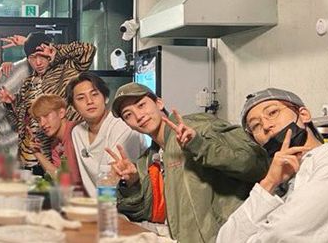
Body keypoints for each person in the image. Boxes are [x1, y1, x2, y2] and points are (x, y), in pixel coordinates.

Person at [109, 82, 268, 243]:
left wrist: (200, 146)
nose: (138, 115)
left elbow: (257, 165)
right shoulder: (149, 159)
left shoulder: (199, 125)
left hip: (231, 236)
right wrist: (132, 182)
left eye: (141, 105)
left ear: (159, 103)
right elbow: (145, 212)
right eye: (128, 114)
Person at [216, 88, 328, 242]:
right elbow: (226, 239)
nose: (266, 126)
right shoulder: (279, 183)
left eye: (272, 112)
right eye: (256, 126)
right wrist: (269, 183)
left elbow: (284, 234)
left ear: (304, 114)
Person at [0, 32, 96, 175]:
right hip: (32, 156)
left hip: (63, 150)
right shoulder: (28, 82)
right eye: (32, 58)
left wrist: (55, 50)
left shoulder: (67, 68)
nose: (38, 62)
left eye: (42, 56)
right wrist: (10, 103)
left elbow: (88, 49)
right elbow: (20, 124)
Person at [66, 73, 146, 197]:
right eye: (81, 98)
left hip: (130, 206)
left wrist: (102, 212)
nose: (89, 101)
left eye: (95, 94)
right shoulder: (77, 132)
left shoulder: (122, 126)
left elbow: (113, 177)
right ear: (73, 107)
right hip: (97, 207)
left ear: (106, 98)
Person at [28, 94, 83, 191]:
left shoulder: (76, 132)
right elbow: (59, 178)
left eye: (46, 116)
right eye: (38, 120)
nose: (42, 124)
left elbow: (71, 181)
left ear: (61, 113)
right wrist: (37, 153)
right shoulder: (56, 145)